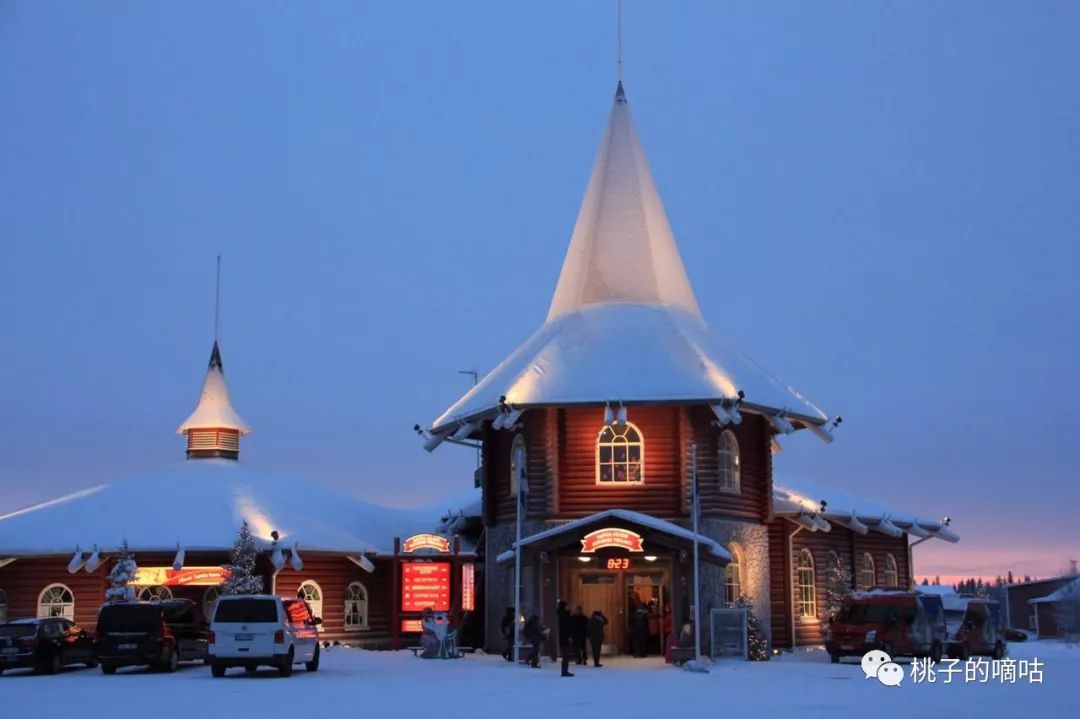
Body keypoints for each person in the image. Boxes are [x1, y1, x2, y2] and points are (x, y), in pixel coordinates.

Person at [556, 600, 574, 677]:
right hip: (565, 637)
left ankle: (565, 670)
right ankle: (564, 671)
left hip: (563, 637)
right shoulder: (565, 615)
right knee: (566, 655)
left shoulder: (561, 615)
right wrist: (569, 636)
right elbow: (567, 627)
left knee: (565, 655)